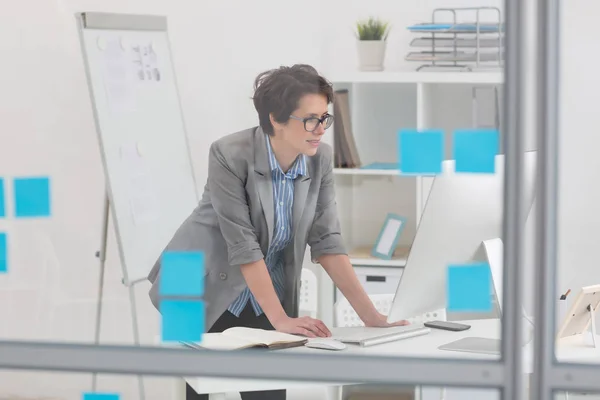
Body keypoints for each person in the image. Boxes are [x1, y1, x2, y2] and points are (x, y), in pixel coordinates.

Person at [147, 64, 408, 400]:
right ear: (275, 119)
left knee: (267, 393)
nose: (320, 129)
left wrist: (371, 316)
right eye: (310, 119)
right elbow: (243, 243)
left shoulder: (320, 159)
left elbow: (328, 241)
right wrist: (281, 319)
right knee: (202, 391)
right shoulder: (229, 153)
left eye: (324, 117)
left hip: (263, 293)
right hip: (202, 284)